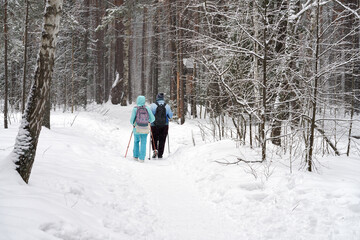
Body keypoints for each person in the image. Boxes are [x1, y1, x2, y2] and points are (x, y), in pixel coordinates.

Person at [130, 95, 155, 162]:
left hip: (137, 128)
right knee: (143, 142)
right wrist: (148, 121)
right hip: (145, 128)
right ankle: (142, 158)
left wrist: (134, 124)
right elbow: (153, 119)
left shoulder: (135, 108)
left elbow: (131, 120)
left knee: (136, 141)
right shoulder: (147, 108)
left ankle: (135, 156)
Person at [150, 93, 173, 158]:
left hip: (154, 125)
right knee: (162, 139)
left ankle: (155, 150)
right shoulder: (167, 106)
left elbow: (150, 115)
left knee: (154, 138)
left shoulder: (153, 105)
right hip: (164, 125)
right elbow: (170, 116)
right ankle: (160, 154)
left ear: (157, 98)